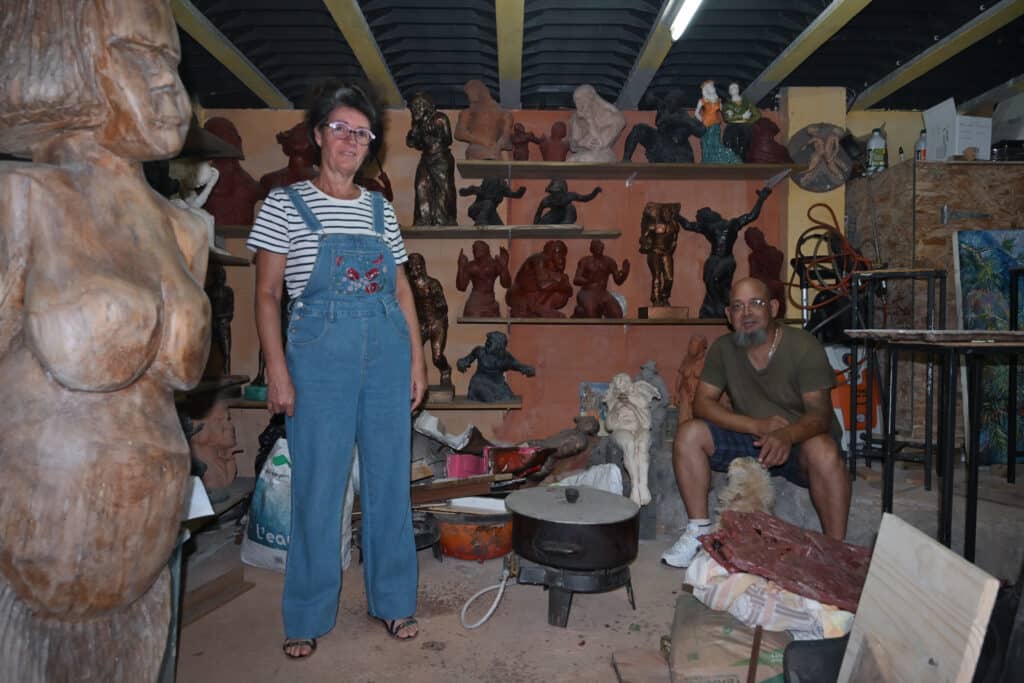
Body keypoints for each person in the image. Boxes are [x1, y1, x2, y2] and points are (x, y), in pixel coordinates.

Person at [0, 1, 212, 679]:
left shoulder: (187, 231)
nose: (166, 84)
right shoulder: (22, 197)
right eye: (138, 54)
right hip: (30, 564)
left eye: (171, 62)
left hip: (146, 559)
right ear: (66, 62)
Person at [248, 80, 427, 657]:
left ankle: (394, 602)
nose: (351, 140)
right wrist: (277, 370)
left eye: (362, 132)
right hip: (318, 360)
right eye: (341, 128)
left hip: (386, 355)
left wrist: (417, 364)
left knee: (389, 484)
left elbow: (401, 290)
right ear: (319, 135)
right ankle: (305, 613)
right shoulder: (282, 203)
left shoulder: (380, 208)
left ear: (371, 144)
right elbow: (269, 294)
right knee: (319, 490)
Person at [661, 278, 850, 569]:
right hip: (753, 440)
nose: (747, 313)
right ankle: (698, 530)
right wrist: (756, 426)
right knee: (689, 434)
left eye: (756, 304)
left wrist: (786, 434)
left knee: (824, 450)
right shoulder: (724, 349)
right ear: (728, 315)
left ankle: (836, 553)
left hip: (801, 441)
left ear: (773, 308)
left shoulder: (803, 346)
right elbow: (702, 403)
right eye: (738, 307)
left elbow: (820, 415)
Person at [683, 187, 771, 318]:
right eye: (702, 217)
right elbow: (688, 225)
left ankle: (724, 308)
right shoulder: (707, 227)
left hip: (726, 259)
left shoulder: (732, 224)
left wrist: (762, 198)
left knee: (716, 280)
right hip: (713, 259)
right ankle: (712, 309)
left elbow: (752, 215)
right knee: (709, 282)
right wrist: (676, 216)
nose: (704, 218)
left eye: (705, 214)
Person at [407, 92, 457, 226]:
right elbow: (414, 144)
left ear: (427, 106)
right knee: (420, 186)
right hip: (426, 159)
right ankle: (423, 219)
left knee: (444, 188)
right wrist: (415, 133)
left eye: (419, 105)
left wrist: (433, 132)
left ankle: (444, 219)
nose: (415, 109)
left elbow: (448, 139)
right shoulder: (417, 124)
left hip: (441, 158)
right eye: (413, 106)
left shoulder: (440, 118)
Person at [405, 253, 453, 392]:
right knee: (411, 354)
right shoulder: (407, 286)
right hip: (420, 323)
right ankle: (411, 381)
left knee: (437, 357)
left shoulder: (433, 284)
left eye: (417, 266)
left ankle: (445, 372)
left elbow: (443, 306)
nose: (415, 269)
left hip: (437, 322)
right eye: (412, 266)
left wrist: (435, 318)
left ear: (423, 267)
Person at [457, 331, 535, 402]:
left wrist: (527, 369)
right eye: (487, 341)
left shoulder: (505, 358)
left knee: (508, 398)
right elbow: (466, 360)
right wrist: (461, 363)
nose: (486, 343)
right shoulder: (480, 352)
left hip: (498, 385)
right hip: (479, 383)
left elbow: (518, 366)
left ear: (498, 345)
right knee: (490, 399)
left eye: (490, 342)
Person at [506, 239, 574, 318]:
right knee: (556, 284)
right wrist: (561, 285)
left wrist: (561, 285)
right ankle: (538, 310)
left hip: (536, 300)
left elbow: (569, 290)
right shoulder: (538, 259)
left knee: (561, 285)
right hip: (519, 296)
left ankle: (542, 309)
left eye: (563, 254)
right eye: (558, 252)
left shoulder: (555, 271)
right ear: (549, 252)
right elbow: (543, 285)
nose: (561, 257)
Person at [453, 79, 513, 160]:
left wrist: (495, 146)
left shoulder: (505, 114)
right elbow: (459, 133)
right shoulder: (505, 113)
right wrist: (484, 141)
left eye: (469, 94)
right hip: (484, 153)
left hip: (486, 153)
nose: (469, 98)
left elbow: (506, 140)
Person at [566, 84, 626, 163]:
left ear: (591, 98)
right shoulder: (575, 117)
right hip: (582, 154)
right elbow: (573, 146)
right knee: (571, 161)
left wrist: (589, 120)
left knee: (585, 159)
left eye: (581, 100)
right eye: (576, 101)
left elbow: (600, 143)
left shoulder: (614, 117)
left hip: (603, 154)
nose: (579, 105)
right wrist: (582, 143)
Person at [571, 239, 630, 318]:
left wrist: (624, 273)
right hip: (588, 291)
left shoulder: (609, 261)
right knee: (591, 314)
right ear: (591, 249)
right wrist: (589, 280)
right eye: (596, 247)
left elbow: (618, 280)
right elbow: (576, 279)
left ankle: (583, 311)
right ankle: (579, 312)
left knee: (617, 314)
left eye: (600, 247)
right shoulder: (585, 261)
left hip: (602, 292)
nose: (598, 249)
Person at [639, 202, 682, 306]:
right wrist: (647, 243)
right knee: (657, 277)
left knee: (669, 278)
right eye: (664, 213)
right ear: (661, 214)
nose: (667, 215)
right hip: (655, 253)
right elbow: (643, 238)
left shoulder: (674, 226)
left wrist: (670, 250)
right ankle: (656, 299)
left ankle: (664, 297)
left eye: (669, 213)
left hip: (667, 254)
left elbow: (674, 240)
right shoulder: (653, 226)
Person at [456, 240, 512, 317]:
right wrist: (461, 267)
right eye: (474, 248)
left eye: (478, 248)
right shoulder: (471, 266)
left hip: (491, 302)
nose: (475, 250)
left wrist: (504, 266)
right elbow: (461, 287)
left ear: (486, 249)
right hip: (475, 302)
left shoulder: (494, 264)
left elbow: (506, 284)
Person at [694, 80, 741, 164]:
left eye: (713, 86)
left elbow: (723, 111)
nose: (713, 88)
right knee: (708, 142)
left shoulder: (718, 100)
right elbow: (696, 113)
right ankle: (708, 159)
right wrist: (702, 120)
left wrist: (730, 112)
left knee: (716, 141)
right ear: (706, 89)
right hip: (706, 125)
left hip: (715, 124)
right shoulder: (702, 101)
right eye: (711, 87)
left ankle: (717, 158)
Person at [533, 178, 601, 224]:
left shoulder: (569, 196)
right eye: (553, 192)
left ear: (563, 192)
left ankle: (567, 222)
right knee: (544, 221)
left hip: (568, 214)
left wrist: (595, 192)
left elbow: (585, 198)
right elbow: (538, 213)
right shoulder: (546, 201)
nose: (555, 195)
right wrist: (536, 225)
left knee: (569, 207)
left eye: (557, 192)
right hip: (556, 214)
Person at [721, 82, 760, 160]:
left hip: (744, 128)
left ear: (739, 89)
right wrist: (742, 116)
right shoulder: (726, 105)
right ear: (728, 91)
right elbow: (727, 117)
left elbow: (757, 114)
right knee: (730, 146)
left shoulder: (747, 103)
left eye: (735, 87)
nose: (734, 89)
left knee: (744, 147)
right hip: (732, 128)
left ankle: (742, 163)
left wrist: (748, 121)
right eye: (731, 88)